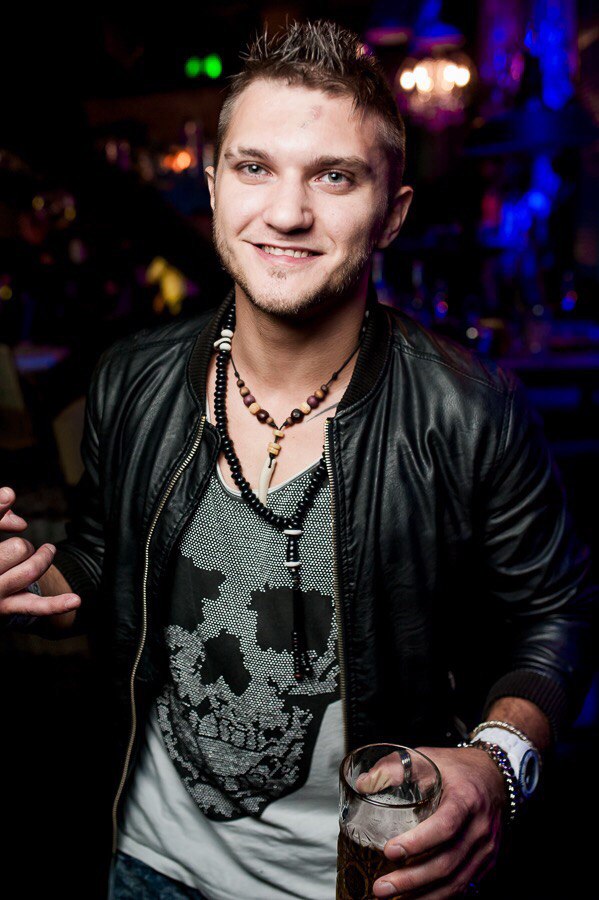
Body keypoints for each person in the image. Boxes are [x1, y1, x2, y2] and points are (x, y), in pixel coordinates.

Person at [0, 19, 595, 900]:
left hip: (372, 877)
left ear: (392, 212)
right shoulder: (131, 378)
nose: (286, 213)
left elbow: (556, 611)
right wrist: (40, 580)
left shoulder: (470, 410)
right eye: (254, 168)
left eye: (334, 176)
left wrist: (499, 758)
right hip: (145, 865)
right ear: (213, 188)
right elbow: (102, 549)